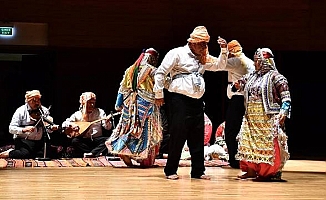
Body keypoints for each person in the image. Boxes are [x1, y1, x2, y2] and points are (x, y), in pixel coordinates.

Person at [153, 26, 228, 180]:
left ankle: (198, 171)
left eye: (206, 44)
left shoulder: (203, 57)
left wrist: (224, 50)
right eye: (202, 44)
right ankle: (171, 170)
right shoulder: (177, 53)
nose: (205, 47)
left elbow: (220, 66)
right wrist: (158, 94)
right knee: (178, 135)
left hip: (197, 102)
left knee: (197, 137)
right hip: (179, 101)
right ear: (193, 42)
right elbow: (160, 73)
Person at [233, 48, 291, 181]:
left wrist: (283, 111)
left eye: (257, 61)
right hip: (251, 117)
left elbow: (286, 97)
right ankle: (251, 170)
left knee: (267, 144)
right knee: (249, 143)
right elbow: (241, 84)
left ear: (265, 62)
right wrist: (237, 85)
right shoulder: (253, 75)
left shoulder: (276, 77)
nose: (255, 64)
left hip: (267, 117)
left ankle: (268, 172)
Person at [105, 48, 163, 167]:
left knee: (127, 128)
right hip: (146, 105)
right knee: (145, 131)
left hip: (129, 105)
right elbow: (159, 86)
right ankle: (143, 158)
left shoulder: (130, 70)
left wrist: (118, 104)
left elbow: (122, 89)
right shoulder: (153, 71)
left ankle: (124, 151)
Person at [215, 40, 255, 168]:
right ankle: (246, 159)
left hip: (238, 99)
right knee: (245, 130)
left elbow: (218, 65)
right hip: (248, 99)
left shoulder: (236, 61)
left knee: (231, 130)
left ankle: (234, 160)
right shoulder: (250, 62)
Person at [0, 90, 59, 159]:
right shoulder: (20, 111)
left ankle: (32, 152)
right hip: (23, 139)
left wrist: (51, 128)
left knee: (51, 154)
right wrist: (24, 130)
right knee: (25, 154)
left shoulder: (44, 111)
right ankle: (10, 152)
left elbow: (47, 129)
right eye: (34, 101)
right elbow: (11, 129)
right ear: (28, 101)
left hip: (39, 140)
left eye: (38, 100)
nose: (37, 103)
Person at [62, 92, 112, 158]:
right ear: (83, 103)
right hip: (84, 141)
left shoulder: (100, 112)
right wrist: (72, 124)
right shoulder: (77, 114)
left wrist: (107, 121)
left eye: (93, 102)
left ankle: (91, 153)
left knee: (109, 140)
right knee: (74, 141)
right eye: (89, 102)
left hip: (96, 140)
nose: (91, 105)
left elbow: (107, 128)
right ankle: (95, 152)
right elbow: (64, 124)